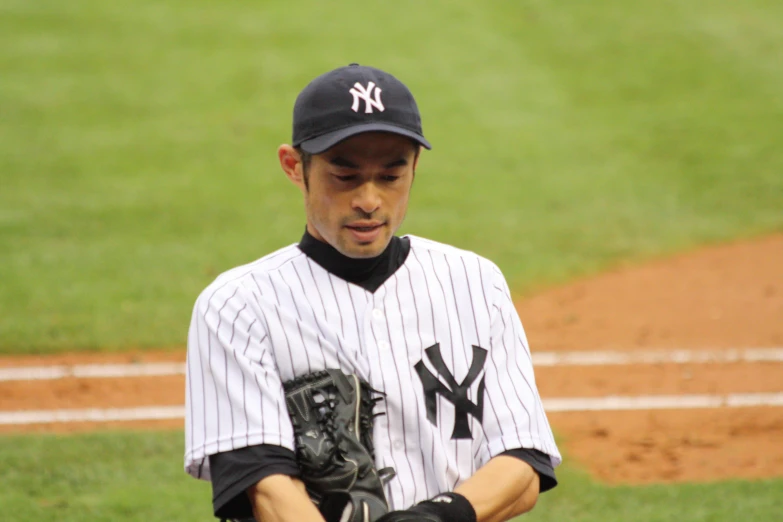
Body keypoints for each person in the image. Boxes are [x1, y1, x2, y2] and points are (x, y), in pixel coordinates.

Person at [184, 63, 561, 522]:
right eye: (344, 177)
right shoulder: (238, 305)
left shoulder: (476, 282)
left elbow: (523, 463)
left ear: (415, 168)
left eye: (390, 176)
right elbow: (263, 488)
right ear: (294, 167)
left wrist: (440, 516)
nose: (368, 199)